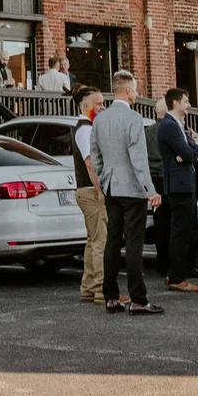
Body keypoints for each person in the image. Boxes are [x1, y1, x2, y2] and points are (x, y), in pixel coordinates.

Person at [90, 85, 163, 315]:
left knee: (112, 241)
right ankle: (138, 298)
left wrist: (103, 179)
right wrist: (150, 189)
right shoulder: (134, 118)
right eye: (135, 89)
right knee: (134, 242)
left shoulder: (100, 119)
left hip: (112, 186)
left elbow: (95, 155)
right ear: (128, 90)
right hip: (133, 188)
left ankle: (110, 297)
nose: (137, 93)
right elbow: (138, 157)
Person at [156, 88, 198, 293]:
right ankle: (176, 276)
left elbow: (185, 153)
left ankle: (173, 272)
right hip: (179, 185)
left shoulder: (178, 126)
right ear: (175, 103)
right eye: (186, 101)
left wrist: (188, 153)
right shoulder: (169, 126)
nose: (189, 104)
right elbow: (188, 153)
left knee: (182, 230)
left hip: (183, 184)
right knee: (180, 232)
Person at [71, 85, 108, 304]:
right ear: (86, 106)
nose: (102, 107)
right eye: (99, 104)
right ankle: (101, 290)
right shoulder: (85, 129)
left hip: (87, 190)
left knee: (92, 240)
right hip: (91, 190)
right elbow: (90, 163)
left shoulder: (86, 127)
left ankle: (89, 287)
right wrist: (101, 189)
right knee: (100, 241)